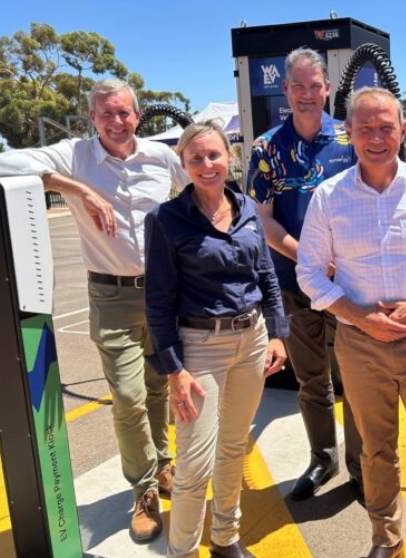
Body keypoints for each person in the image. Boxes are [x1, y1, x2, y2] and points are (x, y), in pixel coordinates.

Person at [0, 79, 189, 543]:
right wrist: (76, 189)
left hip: (164, 294)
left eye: (123, 112)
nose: (116, 121)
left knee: (159, 389)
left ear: (138, 115)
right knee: (128, 398)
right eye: (106, 114)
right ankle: (143, 489)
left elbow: (194, 197)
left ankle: (163, 465)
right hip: (111, 297)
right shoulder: (75, 155)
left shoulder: (160, 158)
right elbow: (5, 162)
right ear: (92, 118)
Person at [296, 87, 406, 558]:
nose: (376, 138)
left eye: (386, 127)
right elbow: (308, 271)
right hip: (359, 345)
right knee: (375, 452)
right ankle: (386, 539)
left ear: (402, 130)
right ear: (348, 133)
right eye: (365, 128)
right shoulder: (329, 197)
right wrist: (358, 315)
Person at [144, 121, 289, 558]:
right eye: (196, 158)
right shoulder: (166, 220)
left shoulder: (247, 209)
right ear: (184, 164)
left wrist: (278, 333)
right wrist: (174, 371)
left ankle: (226, 540)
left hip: (252, 340)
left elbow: (266, 275)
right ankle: (183, 551)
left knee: (233, 447)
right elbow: (158, 301)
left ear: (229, 158)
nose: (206, 165)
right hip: (199, 348)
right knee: (194, 463)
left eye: (214, 155)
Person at [248, 47, 363, 502]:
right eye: (298, 85)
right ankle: (323, 458)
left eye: (315, 85)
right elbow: (264, 220)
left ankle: (361, 466)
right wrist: (310, 259)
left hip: (347, 283)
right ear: (285, 89)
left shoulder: (350, 139)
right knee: (311, 380)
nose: (307, 94)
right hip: (294, 284)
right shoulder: (266, 148)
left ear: (328, 89)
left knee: (355, 378)